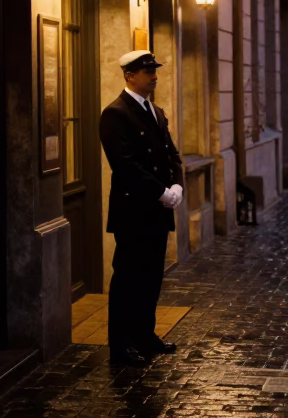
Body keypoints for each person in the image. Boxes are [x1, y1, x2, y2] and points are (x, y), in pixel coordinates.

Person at [100, 50, 184, 364]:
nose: (154, 75)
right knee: (127, 277)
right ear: (129, 75)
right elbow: (126, 165)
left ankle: (145, 336)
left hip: (157, 211)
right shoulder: (115, 113)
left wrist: (176, 185)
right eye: (147, 71)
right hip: (133, 211)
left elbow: (171, 155)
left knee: (151, 277)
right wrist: (161, 192)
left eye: (154, 70)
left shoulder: (157, 112)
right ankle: (120, 346)